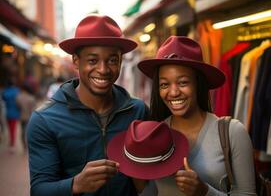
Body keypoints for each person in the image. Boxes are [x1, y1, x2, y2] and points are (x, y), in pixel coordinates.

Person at [27, 14, 151, 196]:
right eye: (92, 60)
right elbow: (39, 190)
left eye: (112, 60)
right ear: (76, 60)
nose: (103, 69)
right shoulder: (45, 120)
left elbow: (151, 180)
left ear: (121, 62)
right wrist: (76, 185)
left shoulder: (138, 111)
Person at [137, 36, 256, 196]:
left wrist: (204, 191)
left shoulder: (232, 133)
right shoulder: (155, 134)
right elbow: (154, 192)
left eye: (183, 82)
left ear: (199, 83)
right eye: (164, 84)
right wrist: (134, 176)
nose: (173, 92)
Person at [16, 82, 36, 151]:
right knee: (28, 131)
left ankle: (24, 145)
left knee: (22, 131)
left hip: (21, 116)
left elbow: (18, 107)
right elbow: (33, 109)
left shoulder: (18, 97)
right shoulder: (31, 98)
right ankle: (28, 145)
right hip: (29, 117)